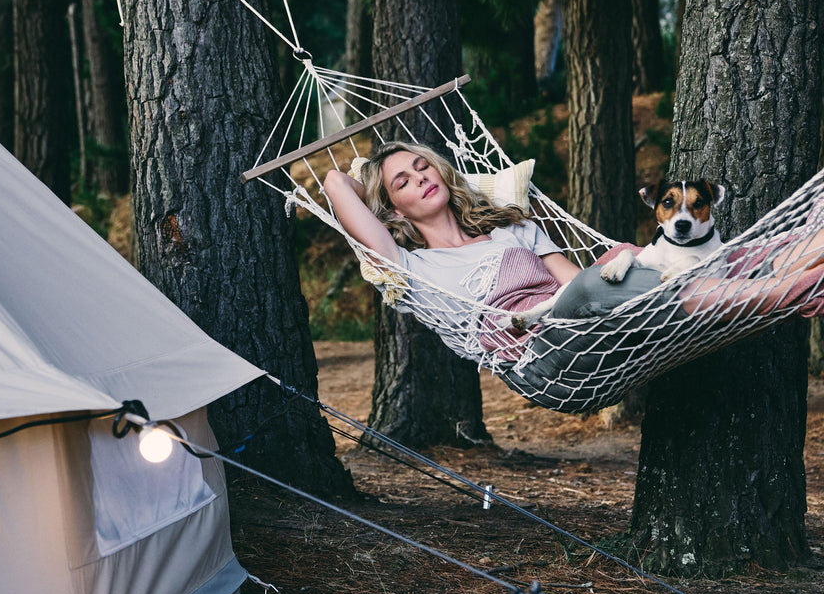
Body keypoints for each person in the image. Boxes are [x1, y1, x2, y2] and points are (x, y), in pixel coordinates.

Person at [322, 142, 824, 408]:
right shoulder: (411, 267)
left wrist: (611, 271)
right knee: (603, 280)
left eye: (423, 166)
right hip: (543, 363)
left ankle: (805, 249)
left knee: (642, 268)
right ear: (394, 210)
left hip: (593, 329)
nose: (421, 179)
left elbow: (573, 283)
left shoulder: (512, 229)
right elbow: (334, 184)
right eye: (403, 182)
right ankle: (789, 290)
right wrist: (357, 168)